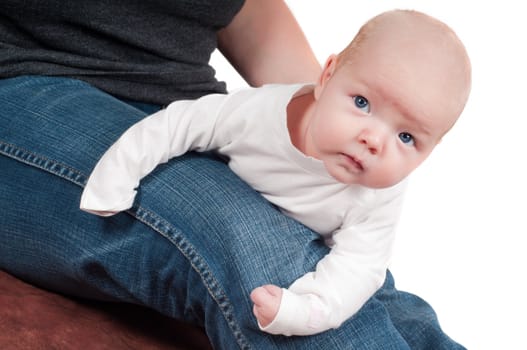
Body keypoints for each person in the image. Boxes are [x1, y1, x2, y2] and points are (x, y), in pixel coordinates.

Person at [0, 0, 466, 348]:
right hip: (25, 81)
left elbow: (247, 16)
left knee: (359, 284)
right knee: (246, 238)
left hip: (181, 97)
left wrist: (332, 123)